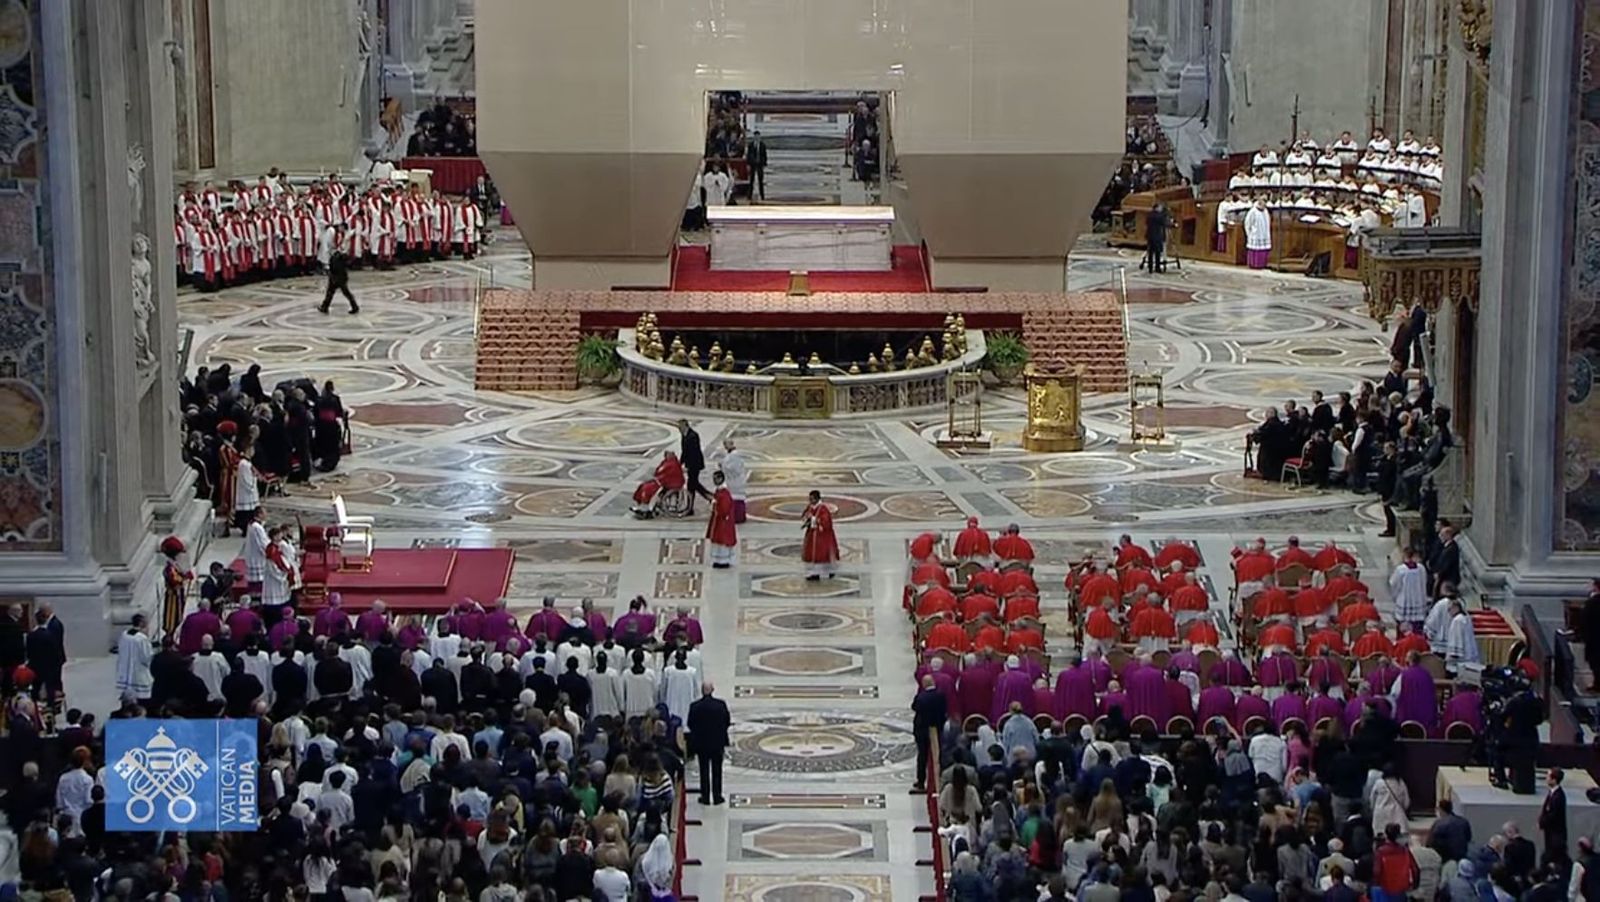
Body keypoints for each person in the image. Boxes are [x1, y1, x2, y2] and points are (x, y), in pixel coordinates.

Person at [687, 680, 730, 805]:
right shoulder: (720, 705)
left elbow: (690, 723)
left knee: (703, 770)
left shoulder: (695, 706)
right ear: (712, 690)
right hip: (717, 743)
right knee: (717, 770)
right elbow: (727, 721)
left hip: (702, 743)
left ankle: (705, 796)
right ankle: (717, 796)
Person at [910, 674, 947, 793]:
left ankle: (921, 781)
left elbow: (914, 707)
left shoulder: (921, 697)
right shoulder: (941, 695)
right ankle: (938, 779)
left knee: (922, 756)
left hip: (922, 730)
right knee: (938, 754)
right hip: (937, 728)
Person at [159, 535, 193, 641]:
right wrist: (185, 577)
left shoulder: (175, 565)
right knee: (171, 618)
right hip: (172, 596)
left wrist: (186, 574)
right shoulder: (170, 567)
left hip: (178, 594)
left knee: (178, 616)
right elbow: (174, 579)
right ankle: (169, 636)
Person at [114, 613, 154, 702]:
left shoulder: (124, 635)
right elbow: (146, 657)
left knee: (126, 699)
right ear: (141, 623)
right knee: (141, 699)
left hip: (124, 672)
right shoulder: (142, 638)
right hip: (138, 673)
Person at [319, 228, 359, 314]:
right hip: (337, 274)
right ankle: (324, 306)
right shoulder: (337, 251)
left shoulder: (342, 251)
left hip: (338, 275)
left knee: (343, 292)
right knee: (331, 292)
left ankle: (354, 306)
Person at [802, 490, 840, 581]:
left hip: (822, 536)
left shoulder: (823, 509)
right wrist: (807, 519)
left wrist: (814, 519)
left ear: (817, 499)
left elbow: (826, 522)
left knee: (822, 555)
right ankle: (815, 573)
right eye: (809, 499)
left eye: (812, 499)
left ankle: (828, 572)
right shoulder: (811, 507)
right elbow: (805, 515)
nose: (810, 501)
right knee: (813, 555)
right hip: (813, 535)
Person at [705, 471, 737, 569]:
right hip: (719, 520)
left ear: (720, 479)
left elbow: (724, 508)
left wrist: (715, 504)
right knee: (719, 541)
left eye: (716, 478)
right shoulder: (720, 491)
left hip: (723, 521)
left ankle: (723, 561)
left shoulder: (725, 493)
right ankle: (719, 560)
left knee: (722, 541)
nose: (714, 481)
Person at [677, 419, 709, 511]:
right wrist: (680, 463)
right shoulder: (684, 435)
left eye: (680, 427)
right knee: (694, 484)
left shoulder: (693, 436)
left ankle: (690, 507)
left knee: (692, 485)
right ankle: (708, 497)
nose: (679, 429)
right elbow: (684, 452)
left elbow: (692, 453)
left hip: (695, 464)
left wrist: (688, 466)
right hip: (690, 463)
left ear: (685, 426)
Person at [717, 436, 750, 523]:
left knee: (736, 498)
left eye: (726, 444)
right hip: (732, 480)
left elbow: (734, 469)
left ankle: (738, 517)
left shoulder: (735, 455)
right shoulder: (730, 454)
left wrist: (722, 466)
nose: (724, 446)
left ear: (731, 444)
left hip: (735, 480)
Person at [1540, 768, 1567, 858]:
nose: (1546, 779)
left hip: (1555, 834)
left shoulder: (1558, 796)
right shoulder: (1552, 793)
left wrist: (1543, 821)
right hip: (1550, 832)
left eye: (1548, 776)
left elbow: (1553, 814)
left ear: (1554, 780)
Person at [1244, 200, 1272, 269]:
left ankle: (1262, 264)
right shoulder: (1253, 211)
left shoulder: (1266, 211)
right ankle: (1254, 264)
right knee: (1255, 249)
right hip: (1255, 234)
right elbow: (1247, 223)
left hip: (1264, 234)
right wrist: (1249, 234)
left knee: (1263, 249)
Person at [1144, 201, 1170, 274]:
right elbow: (1164, 223)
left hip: (1150, 236)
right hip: (1157, 236)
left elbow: (1146, 223)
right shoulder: (1160, 216)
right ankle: (1157, 267)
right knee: (1157, 253)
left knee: (1150, 253)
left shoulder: (1149, 215)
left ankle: (1150, 268)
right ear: (1157, 208)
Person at [745, 130, 769, 200]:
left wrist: (764, 164)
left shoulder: (762, 145)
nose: (757, 137)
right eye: (755, 136)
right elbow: (748, 155)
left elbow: (764, 155)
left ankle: (762, 196)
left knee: (760, 181)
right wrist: (748, 164)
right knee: (751, 181)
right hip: (753, 164)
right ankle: (749, 195)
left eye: (758, 136)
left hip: (760, 165)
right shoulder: (751, 145)